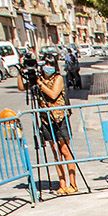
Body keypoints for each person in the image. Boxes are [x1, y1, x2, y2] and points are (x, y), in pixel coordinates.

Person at [33, 49, 80, 195]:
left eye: (50, 64)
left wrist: (40, 85)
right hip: (46, 119)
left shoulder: (58, 78)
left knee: (65, 150)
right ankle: (62, 184)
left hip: (59, 118)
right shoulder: (39, 78)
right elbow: (22, 87)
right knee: (55, 152)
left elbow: (53, 94)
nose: (47, 67)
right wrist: (26, 74)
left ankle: (73, 184)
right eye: (45, 64)